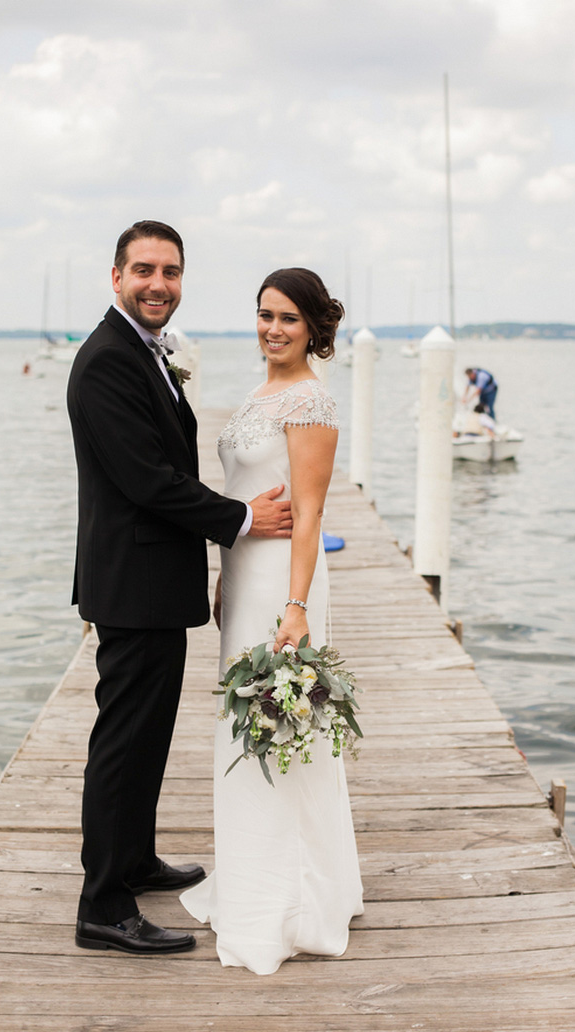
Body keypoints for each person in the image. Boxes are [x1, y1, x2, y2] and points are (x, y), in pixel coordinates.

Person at [66, 220, 292, 956]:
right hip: (130, 582)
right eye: (144, 270)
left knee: (147, 736)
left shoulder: (144, 352)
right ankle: (103, 904)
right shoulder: (106, 362)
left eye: (170, 271)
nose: (158, 284)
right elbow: (146, 480)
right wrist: (241, 519)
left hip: (152, 581)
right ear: (116, 277)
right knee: (123, 742)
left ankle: (132, 859)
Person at [181, 267, 364, 974]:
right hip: (247, 577)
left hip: (287, 588)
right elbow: (246, 494)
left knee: (280, 726)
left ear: (314, 327)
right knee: (245, 720)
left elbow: (310, 514)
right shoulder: (261, 392)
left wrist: (294, 606)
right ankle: (254, 877)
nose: (273, 329)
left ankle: (286, 900)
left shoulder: (311, 402)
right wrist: (227, 571)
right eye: (265, 315)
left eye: (288, 318)